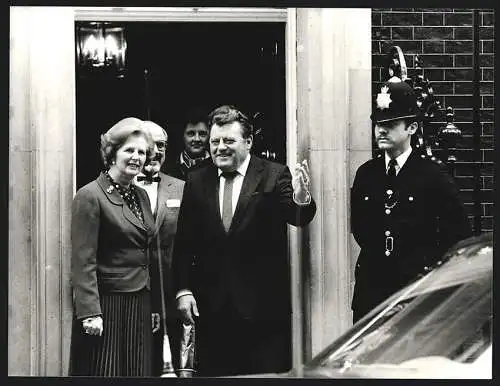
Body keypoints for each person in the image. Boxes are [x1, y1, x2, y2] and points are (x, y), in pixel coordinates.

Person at [172, 105, 316, 376]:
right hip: (211, 310)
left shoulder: (274, 174)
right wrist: (183, 290)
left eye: (229, 140)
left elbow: (297, 216)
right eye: (215, 141)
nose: (220, 148)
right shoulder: (197, 180)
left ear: (248, 142)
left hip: (263, 312)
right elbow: (184, 242)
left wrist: (301, 196)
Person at [350, 80, 472, 323]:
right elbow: (361, 230)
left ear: (412, 127)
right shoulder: (366, 174)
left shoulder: (433, 175)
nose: (381, 130)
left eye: (391, 124)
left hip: (415, 295)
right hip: (371, 296)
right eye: (378, 124)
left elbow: (458, 236)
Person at [69, 117, 157, 376]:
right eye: (129, 150)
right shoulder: (90, 195)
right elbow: (83, 259)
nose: (136, 157)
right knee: (107, 370)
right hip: (108, 305)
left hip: (139, 300)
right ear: (112, 153)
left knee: (137, 370)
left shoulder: (140, 194)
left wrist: (153, 306)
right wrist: (89, 313)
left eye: (142, 152)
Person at [134, 120, 185, 376]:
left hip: (172, 297)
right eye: (149, 145)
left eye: (162, 145)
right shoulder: (119, 187)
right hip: (132, 296)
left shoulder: (182, 188)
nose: (156, 152)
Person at [163, 108, 211, 180]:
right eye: (191, 134)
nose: (197, 139)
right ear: (183, 136)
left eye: (202, 134)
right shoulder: (166, 167)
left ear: (209, 136)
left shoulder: (217, 166)